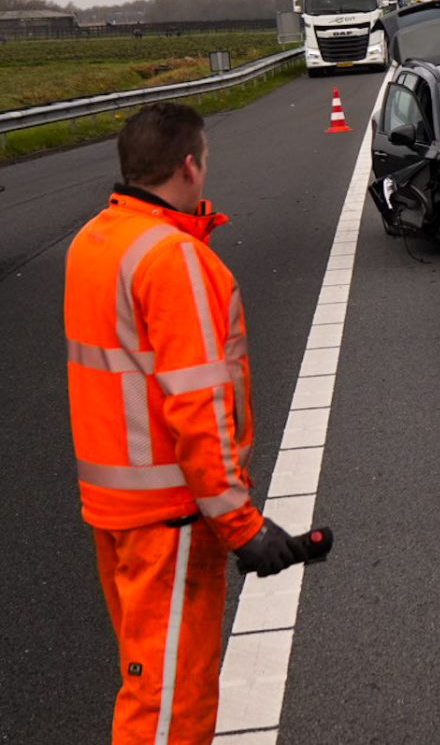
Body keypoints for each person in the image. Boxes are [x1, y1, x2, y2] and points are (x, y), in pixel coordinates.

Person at [66, 103, 299, 744]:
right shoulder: (175, 261)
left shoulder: (94, 241)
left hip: (114, 509)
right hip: (171, 518)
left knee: (145, 678)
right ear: (189, 165)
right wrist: (241, 526)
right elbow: (197, 406)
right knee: (170, 704)